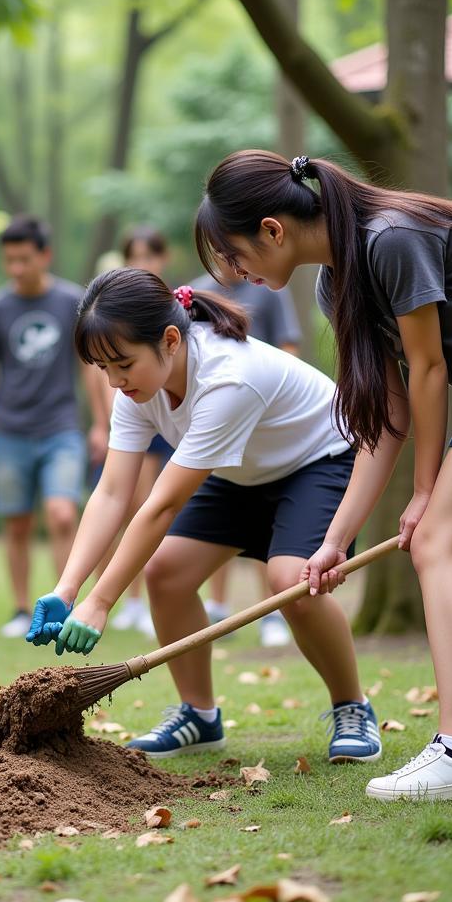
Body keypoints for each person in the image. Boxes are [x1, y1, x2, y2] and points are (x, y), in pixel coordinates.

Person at [194, 149, 452, 800]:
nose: (237, 275)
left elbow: (428, 370)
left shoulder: (389, 239)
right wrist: (336, 537)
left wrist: (425, 493)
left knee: (438, 542)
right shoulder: (336, 282)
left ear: (273, 230)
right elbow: (388, 409)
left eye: (235, 256)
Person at [27, 268, 381, 765]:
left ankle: (352, 706)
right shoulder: (136, 389)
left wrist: (101, 601)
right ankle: (199, 714)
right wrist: (67, 590)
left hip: (318, 460)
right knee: (165, 573)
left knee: (292, 581)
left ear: (170, 340)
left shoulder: (226, 377)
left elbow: (163, 504)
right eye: (102, 367)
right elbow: (110, 492)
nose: (113, 380)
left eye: (122, 363)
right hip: (239, 473)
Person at [0, 215, 109, 638]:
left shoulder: (70, 303)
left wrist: (102, 423)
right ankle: (19, 607)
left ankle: (63, 603)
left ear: (44, 255)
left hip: (61, 427)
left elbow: (91, 367)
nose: (16, 269)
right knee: (17, 523)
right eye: (9, 260)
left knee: (63, 514)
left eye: (24, 259)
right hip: (10, 430)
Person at [191, 268, 303, 647]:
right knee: (215, 516)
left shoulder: (265, 288)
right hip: (217, 422)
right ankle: (218, 605)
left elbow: (288, 345)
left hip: (263, 415)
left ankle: (271, 611)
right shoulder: (195, 294)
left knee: (266, 526)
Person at [108, 227, 171, 636]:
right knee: (131, 501)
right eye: (135, 255)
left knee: (157, 504)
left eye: (149, 255)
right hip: (135, 413)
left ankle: (144, 601)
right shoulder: (110, 311)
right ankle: (129, 600)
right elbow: (109, 496)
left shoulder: (170, 309)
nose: (142, 262)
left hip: (173, 420)